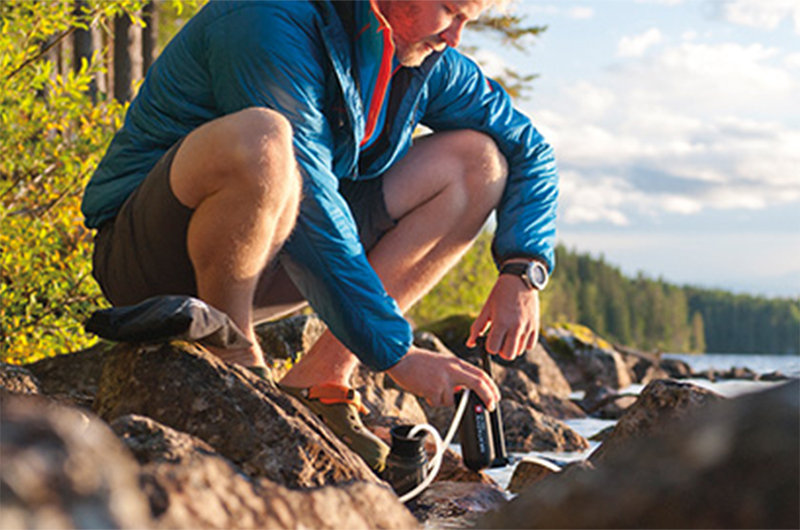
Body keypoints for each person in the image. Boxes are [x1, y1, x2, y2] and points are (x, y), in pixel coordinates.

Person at [81, 0, 558, 472]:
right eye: (450, 11)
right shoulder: (265, 18)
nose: (455, 37)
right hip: (150, 256)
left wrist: (524, 268)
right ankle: (237, 363)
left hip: (271, 257)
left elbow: (530, 149)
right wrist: (398, 354)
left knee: (478, 164)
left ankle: (320, 382)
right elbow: (311, 202)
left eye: (467, 21)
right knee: (265, 139)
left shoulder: (426, 60)